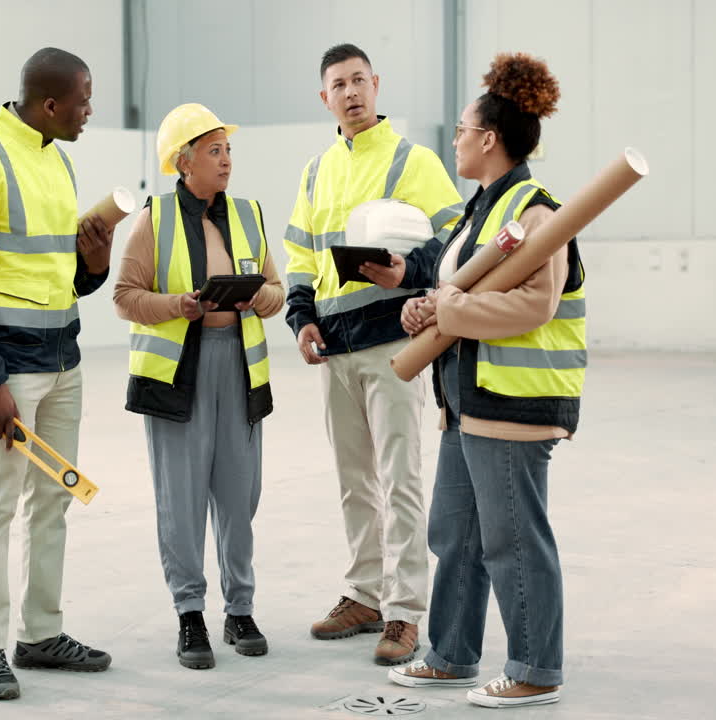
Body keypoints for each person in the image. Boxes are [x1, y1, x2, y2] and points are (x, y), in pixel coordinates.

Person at [388, 52, 582, 709]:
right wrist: (426, 304)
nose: (457, 139)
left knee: (513, 541)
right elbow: (456, 293)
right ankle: (450, 655)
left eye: (465, 129)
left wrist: (451, 309)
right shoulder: (482, 212)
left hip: (513, 406)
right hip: (464, 404)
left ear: (490, 139)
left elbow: (535, 305)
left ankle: (535, 669)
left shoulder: (534, 213)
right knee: (457, 536)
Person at [0, 47, 115, 701]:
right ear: (49, 104)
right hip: (10, 371)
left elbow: (57, 276)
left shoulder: (59, 161)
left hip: (62, 362)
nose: (88, 111)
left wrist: (93, 264)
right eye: (83, 100)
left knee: (51, 503)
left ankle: (40, 634)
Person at [283, 43, 467, 666]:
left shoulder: (413, 161)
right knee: (353, 480)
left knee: (401, 479)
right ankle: (363, 594)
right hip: (335, 348)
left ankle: (405, 611)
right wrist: (302, 319)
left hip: (395, 341)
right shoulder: (314, 173)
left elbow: (456, 243)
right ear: (325, 97)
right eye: (340, 84)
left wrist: (406, 269)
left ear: (377, 85)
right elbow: (302, 257)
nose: (352, 92)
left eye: (360, 80)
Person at [114, 104, 285, 670]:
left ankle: (240, 609)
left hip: (238, 371)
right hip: (177, 378)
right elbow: (124, 295)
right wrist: (178, 306)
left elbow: (277, 287)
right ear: (183, 161)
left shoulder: (250, 214)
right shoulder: (154, 217)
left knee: (240, 496)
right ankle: (190, 613)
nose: (226, 161)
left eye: (228, 150)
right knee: (181, 500)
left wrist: (262, 296)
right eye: (214, 151)